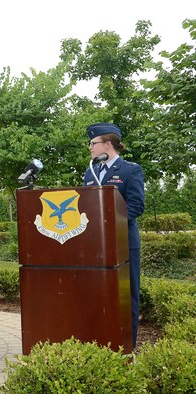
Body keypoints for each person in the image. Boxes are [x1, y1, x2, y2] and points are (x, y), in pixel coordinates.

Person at [83, 122, 145, 347]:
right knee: (100, 293)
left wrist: (110, 224)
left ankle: (128, 346)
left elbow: (136, 206)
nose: (90, 147)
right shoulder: (91, 171)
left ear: (108, 144)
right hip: (97, 246)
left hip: (123, 243)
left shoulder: (131, 170)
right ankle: (103, 340)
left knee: (127, 295)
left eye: (93, 143)